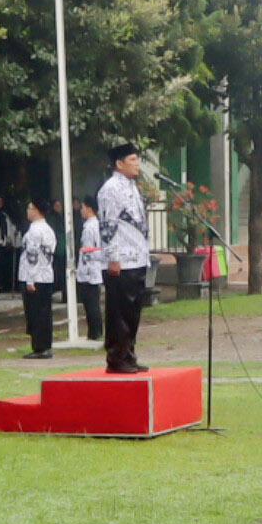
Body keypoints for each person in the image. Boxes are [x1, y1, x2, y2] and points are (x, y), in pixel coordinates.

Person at [98, 144, 151, 374]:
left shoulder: (131, 186)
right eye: (132, 159)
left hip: (137, 256)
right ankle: (117, 357)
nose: (137, 163)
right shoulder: (111, 188)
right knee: (119, 311)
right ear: (119, 164)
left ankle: (128, 354)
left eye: (138, 158)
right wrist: (112, 257)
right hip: (121, 260)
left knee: (133, 310)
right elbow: (108, 225)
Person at [19, 198, 57, 359]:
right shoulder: (48, 229)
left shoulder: (34, 231)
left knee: (36, 313)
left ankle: (40, 347)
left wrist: (30, 279)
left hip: (34, 277)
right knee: (44, 312)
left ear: (37, 211)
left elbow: (32, 255)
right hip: (46, 274)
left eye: (30, 208)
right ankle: (44, 345)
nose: (27, 211)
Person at [76, 195, 105, 342]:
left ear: (89, 208)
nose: (81, 210)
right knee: (92, 303)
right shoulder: (95, 225)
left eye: (82, 207)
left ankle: (95, 332)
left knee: (91, 304)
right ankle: (95, 331)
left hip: (90, 271)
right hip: (92, 270)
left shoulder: (90, 227)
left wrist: (87, 255)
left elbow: (90, 250)